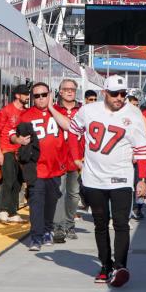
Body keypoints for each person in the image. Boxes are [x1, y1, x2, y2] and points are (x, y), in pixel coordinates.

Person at [67, 74, 146, 287]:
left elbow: (142, 149)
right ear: (104, 93)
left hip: (121, 177)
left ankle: (120, 267)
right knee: (100, 224)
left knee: (121, 223)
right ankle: (105, 265)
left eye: (123, 94)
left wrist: (142, 178)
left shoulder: (133, 114)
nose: (119, 98)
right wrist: (77, 158)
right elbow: (73, 132)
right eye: (115, 94)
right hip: (94, 178)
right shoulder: (88, 110)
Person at [19, 82, 67, 251]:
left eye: (44, 95)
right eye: (37, 96)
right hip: (36, 167)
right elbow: (15, 135)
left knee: (50, 202)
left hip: (55, 166)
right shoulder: (26, 115)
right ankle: (36, 237)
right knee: (36, 202)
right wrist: (18, 140)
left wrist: (52, 108)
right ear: (32, 98)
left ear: (50, 95)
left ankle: (48, 230)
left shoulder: (59, 112)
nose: (41, 99)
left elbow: (68, 126)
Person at [0, 84, 31, 223]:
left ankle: (13, 211)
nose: (28, 96)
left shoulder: (26, 112)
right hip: (6, 149)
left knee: (18, 181)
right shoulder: (6, 111)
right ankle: (2, 210)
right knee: (8, 180)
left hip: (20, 152)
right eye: (25, 94)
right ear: (17, 95)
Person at [52, 79, 82, 242]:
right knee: (59, 193)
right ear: (60, 92)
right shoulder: (54, 109)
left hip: (77, 158)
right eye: (66, 89)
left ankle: (70, 224)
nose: (70, 92)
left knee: (74, 194)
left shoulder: (83, 110)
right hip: (58, 158)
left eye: (73, 89)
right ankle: (58, 227)